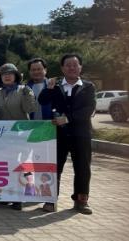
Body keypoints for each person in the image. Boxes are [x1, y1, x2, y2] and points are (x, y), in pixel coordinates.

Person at [38, 54, 95, 215]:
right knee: (54, 167)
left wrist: (67, 118)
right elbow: (42, 100)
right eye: (68, 65)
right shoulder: (55, 85)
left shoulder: (88, 86)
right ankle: (50, 200)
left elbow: (89, 109)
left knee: (82, 167)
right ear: (62, 68)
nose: (72, 68)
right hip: (59, 134)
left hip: (81, 134)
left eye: (75, 65)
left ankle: (81, 201)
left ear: (80, 67)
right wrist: (48, 88)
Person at [0, 63, 37, 210]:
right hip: (3, 137)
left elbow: (30, 108)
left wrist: (28, 95)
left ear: (16, 76)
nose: (7, 76)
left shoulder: (24, 90)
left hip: (21, 135)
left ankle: (21, 197)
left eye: (10, 74)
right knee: (6, 165)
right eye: (4, 74)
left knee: (22, 165)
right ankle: (7, 194)